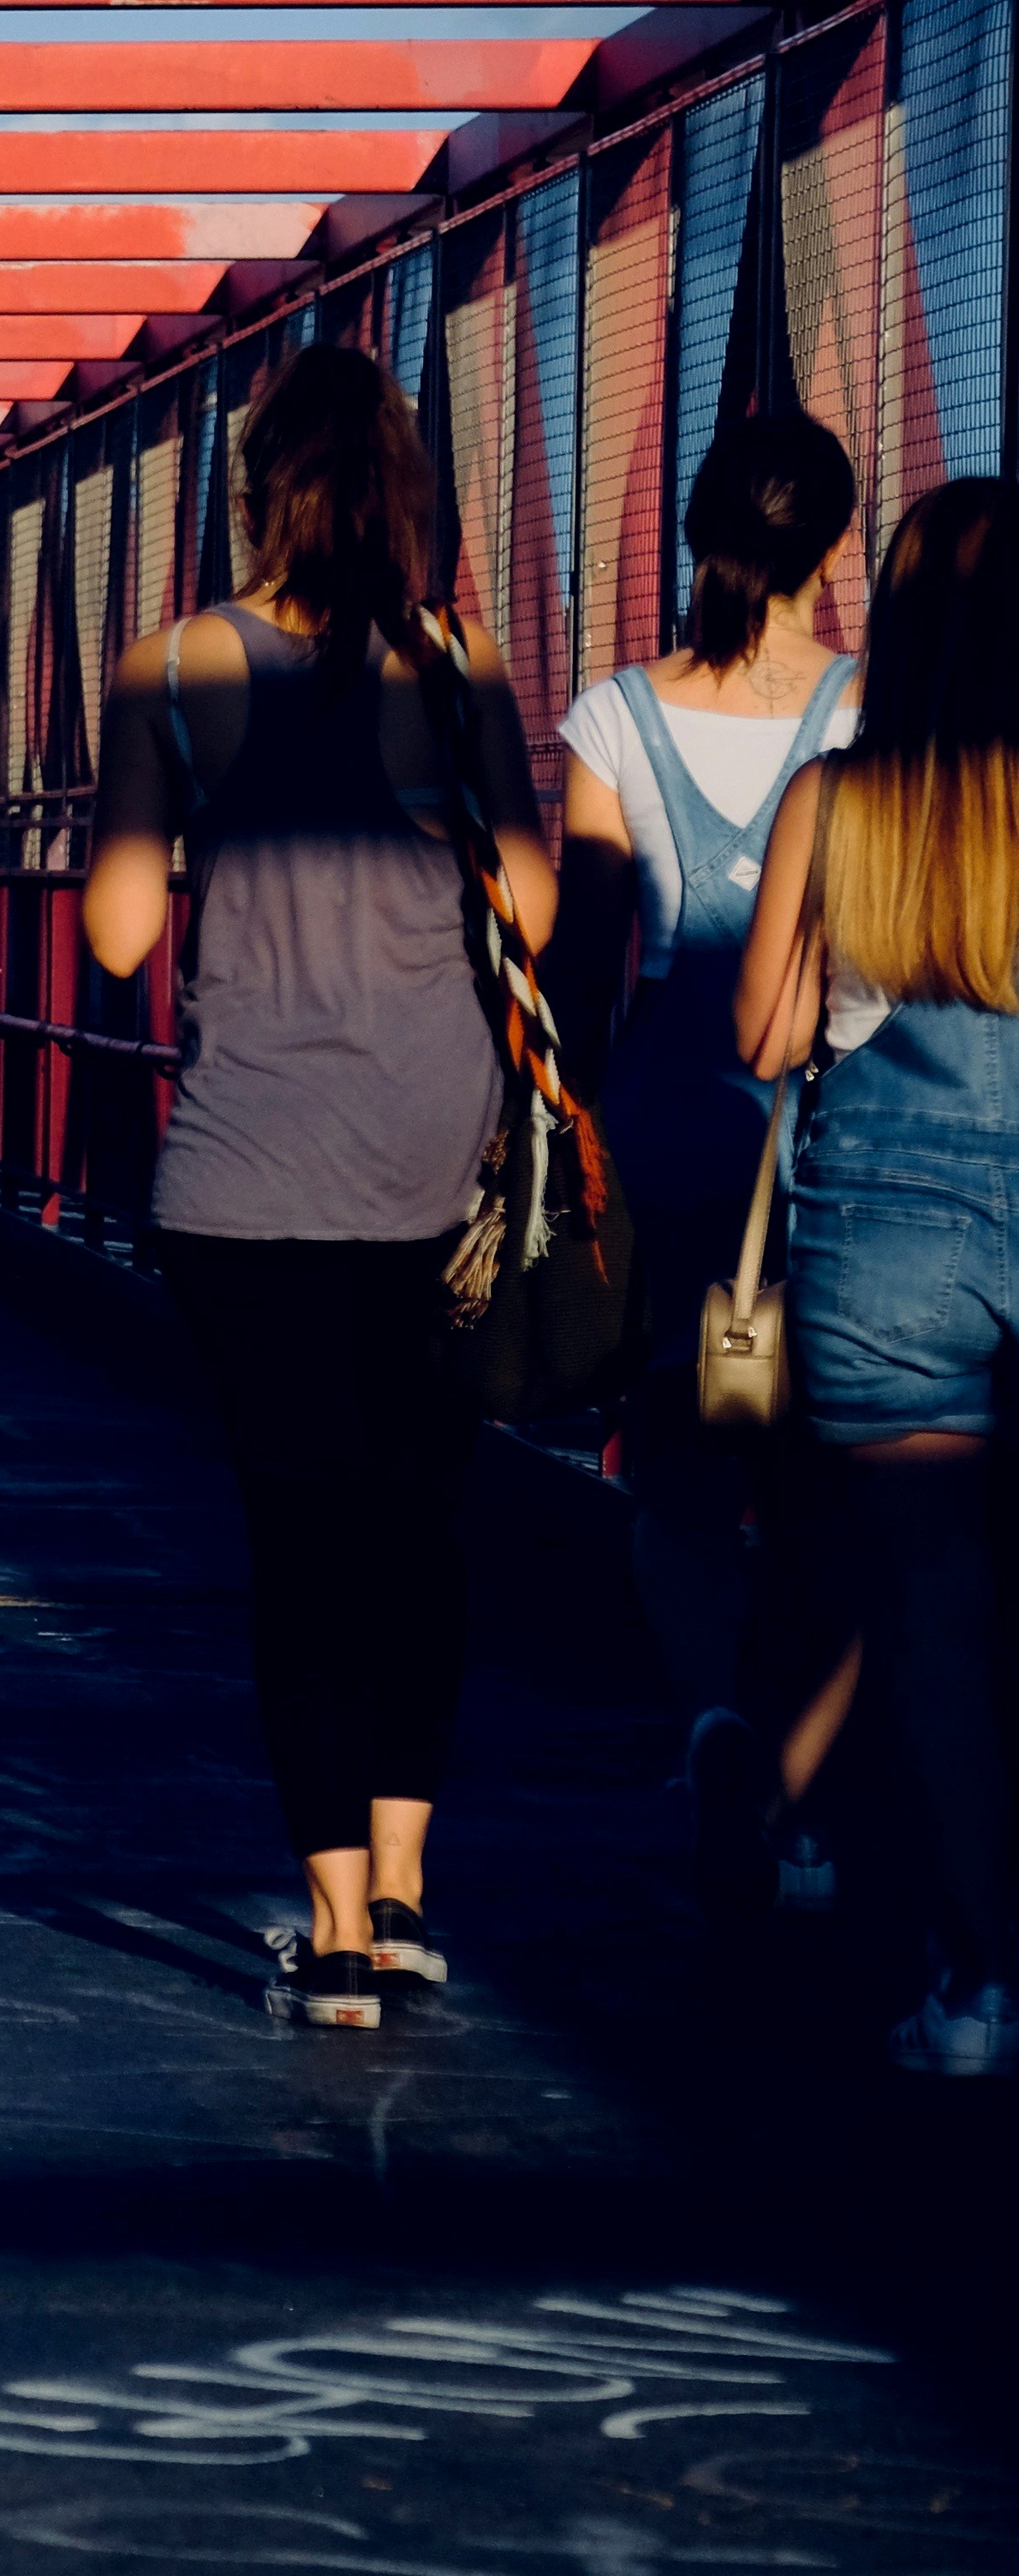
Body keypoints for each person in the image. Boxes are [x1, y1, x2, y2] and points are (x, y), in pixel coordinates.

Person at [84, 342, 553, 2033]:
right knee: (419, 1531)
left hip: (246, 1179)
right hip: (438, 1174)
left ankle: (336, 1926)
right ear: (405, 497)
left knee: (300, 1546)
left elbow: (120, 934)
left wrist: (218, 826)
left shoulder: (174, 665)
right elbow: (542, 917)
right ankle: (416, 1888)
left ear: (255, 488)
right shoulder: (462, 666)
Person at [551, 411, 865, 1931]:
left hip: (667, 1129)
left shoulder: (617, 716)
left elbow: (582, 949)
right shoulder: (868, 718)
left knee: (678, 1471)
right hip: (821, 1141)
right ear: (837, 547)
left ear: (695, 538)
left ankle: (708, 1726)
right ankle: (807, 1802)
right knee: (813, 1475)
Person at [737, 476, 1019, 2074]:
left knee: (931, 1619)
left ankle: (982, 1990)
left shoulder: (836, 806)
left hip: (888, 1247)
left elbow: (765, 1036)